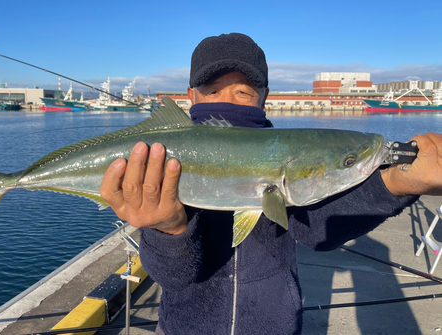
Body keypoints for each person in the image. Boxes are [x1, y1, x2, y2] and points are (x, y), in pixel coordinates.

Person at [100, 33, 442, 335]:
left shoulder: (290, 154)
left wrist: (395, 183)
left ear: (264, 96)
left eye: (243, 92)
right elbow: (173, 278)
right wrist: (167, 230)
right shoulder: (161, 156)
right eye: (212, 91)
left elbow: (317, 229)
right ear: (191, 95)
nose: (226, 102)